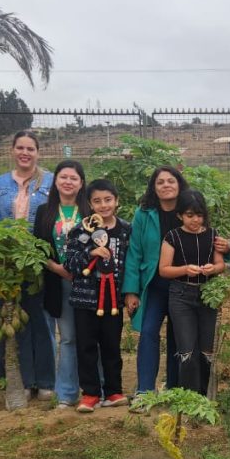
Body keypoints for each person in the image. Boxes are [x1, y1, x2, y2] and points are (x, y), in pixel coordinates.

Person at [0, 130, 55, 400]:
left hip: (38, 262)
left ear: (38, 152)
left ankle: (46, 380)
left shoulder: (49, 182)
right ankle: (18, 381)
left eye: (31, 149)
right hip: (6, 265)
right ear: (13, 150)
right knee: (11, 320)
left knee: (42, 321)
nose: (25, 153)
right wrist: (5, 246)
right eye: (20, 148)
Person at [64, 179, 132, 413]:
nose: (103, 205)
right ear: (90, 204)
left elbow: (131, 263)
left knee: (112, 345)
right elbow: (70, 264)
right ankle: (91, 393)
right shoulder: (80, 231)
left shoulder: (126, 230)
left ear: (116, 201)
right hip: (85, 299)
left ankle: (114, 391)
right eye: (97, 201)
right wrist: (89, 253)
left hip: (113, 300)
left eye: (108, 200)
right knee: (86, 346)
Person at [123, 167, 188, 396]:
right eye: (160, 182)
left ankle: (173, 387)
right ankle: (145, 390)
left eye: (171, 180)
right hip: (154, 287)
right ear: (154, 187)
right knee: (149, 332)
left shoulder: (189, 210)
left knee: (177, 336)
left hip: (183, 286)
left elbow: (207, 236)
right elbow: (134, 253)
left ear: (179, 184)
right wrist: (131, 290)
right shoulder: (143, 214)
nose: (166, 185)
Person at [33, 160, 91, 408]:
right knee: (67, 338)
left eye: (73, 178)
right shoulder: (44, 211)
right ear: (55, 181)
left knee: (90, 336)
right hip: (59, 281)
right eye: (63, 177)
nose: (68, 182)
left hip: (89, 282)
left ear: (81, 183)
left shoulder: (90, 211)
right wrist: (56, 268)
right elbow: (37, 248)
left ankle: (94, 388)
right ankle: (66, 393)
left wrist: (83, 269)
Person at [159, 189, 225, 395]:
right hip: (181, 296)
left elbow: (220, 263)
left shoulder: (212, 235)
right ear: (180, 215)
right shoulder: (172, 237)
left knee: (206, 350)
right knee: (187, 350)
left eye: (199, 215)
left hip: (208, 295)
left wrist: (213, 269)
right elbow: (164, 269)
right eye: (189, 215)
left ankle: (204, 396)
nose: (195, 220)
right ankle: (188, 399)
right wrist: (185, 269)